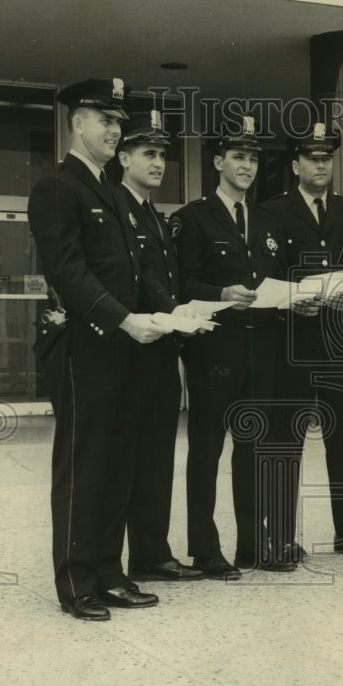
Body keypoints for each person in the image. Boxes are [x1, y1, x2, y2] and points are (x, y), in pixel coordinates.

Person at [28, 77, 163, 620]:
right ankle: (77, 582)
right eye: (103, 119)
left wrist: (169, 314)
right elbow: (68, 272)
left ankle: (109, 571)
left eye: (117, 120)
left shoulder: (110, 189)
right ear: (76, 123)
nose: (113, 129)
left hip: (125, 348)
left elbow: (132, 270)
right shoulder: (58, 188)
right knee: (85, 467)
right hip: (85, 348)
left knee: (118, 466)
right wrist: (125, 319)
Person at [170, 115, 294, 576]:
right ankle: (205, 549)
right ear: (218, 161)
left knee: (253, 449)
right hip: (213, 351)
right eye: (238, 156)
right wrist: (220, 295)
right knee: (206, 451)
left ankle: (252, 545)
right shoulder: (191, 218)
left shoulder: (267, 221)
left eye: (253, 158)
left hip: (260, 349)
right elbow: (181, 284)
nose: (246, 165)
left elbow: (276, 279)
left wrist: (289, 302)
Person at [258, 122, 343, 561]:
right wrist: (290, 303)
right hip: (294, 345)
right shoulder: (272, 211)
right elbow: (266, 277)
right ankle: (282, 537)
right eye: (311, 158)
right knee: (285, 443)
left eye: (326, 158)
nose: (320, 164)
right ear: (295, 164)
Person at [113, 112, 205, 582]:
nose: (158, 162)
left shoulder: (154, 213)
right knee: (128, 461)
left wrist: (183, 311)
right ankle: (131, 559)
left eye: (163, 155)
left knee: (155, 460)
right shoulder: (118, 208)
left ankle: (152, 554)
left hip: (161, 352)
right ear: (123, 157)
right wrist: (175, 309)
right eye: (148, 153)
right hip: (134, 351)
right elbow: (141, 279)